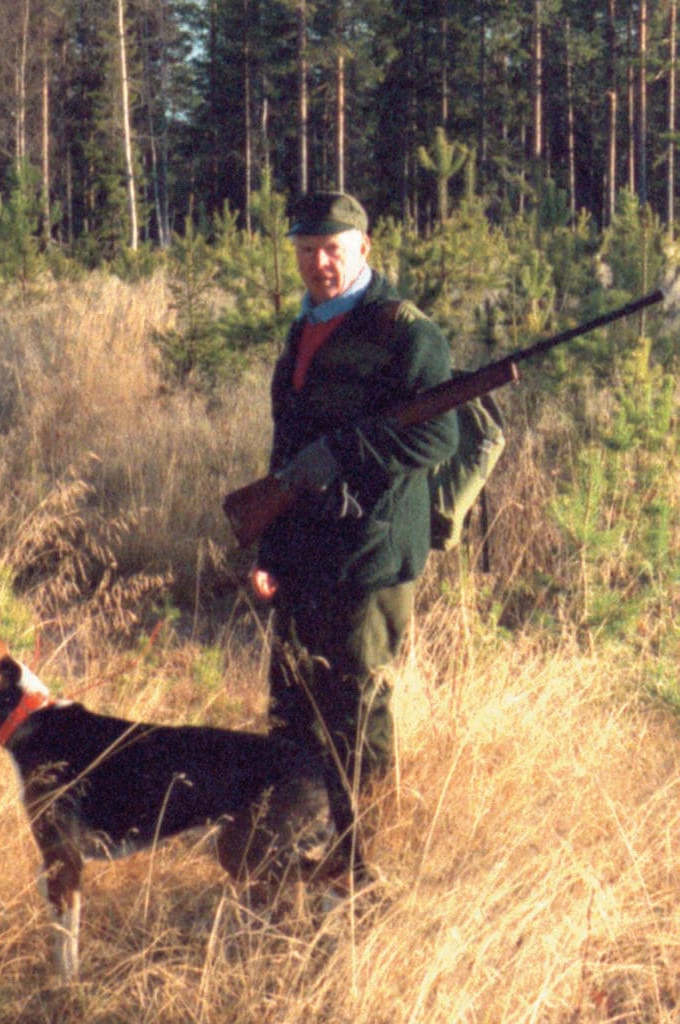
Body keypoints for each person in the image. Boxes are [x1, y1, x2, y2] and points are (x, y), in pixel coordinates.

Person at [250, 190, 458, 876]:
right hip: (305, 547)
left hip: (369, 553)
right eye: (306, 250)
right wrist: (270, 548)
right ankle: (297, 836)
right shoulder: (305, 325)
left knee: (357, 703)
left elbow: (437, 433)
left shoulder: (404, 330)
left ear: (364, 247)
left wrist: (344, 454)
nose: (319, 263)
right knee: (295, 697)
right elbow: (288, 451)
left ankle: (366, 848)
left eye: (332, 248)